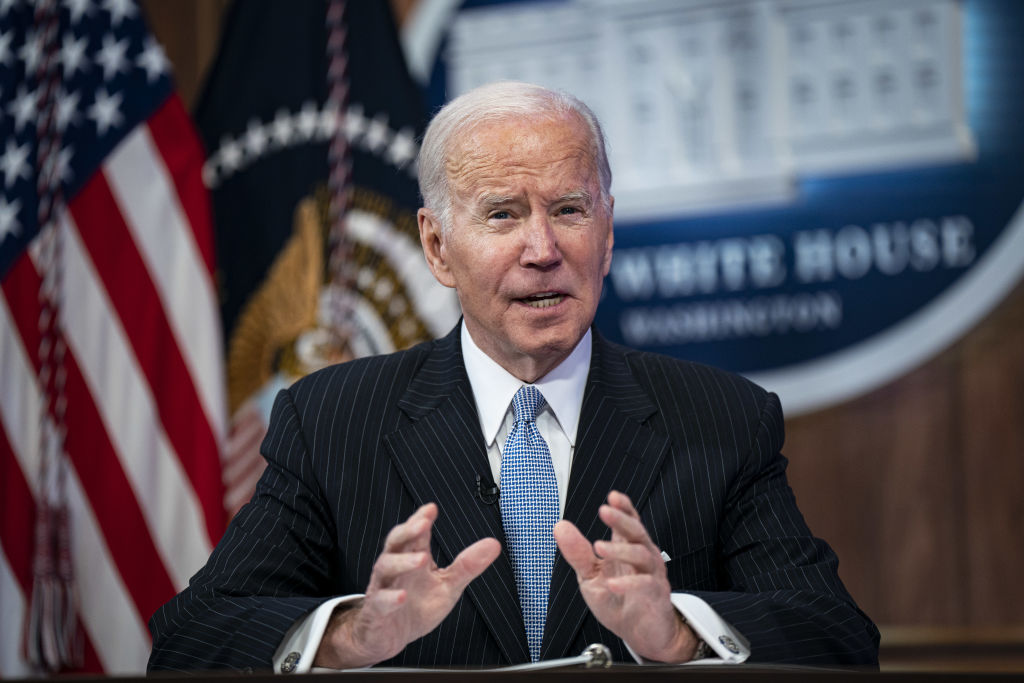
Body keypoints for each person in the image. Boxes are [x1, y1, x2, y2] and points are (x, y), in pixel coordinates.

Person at [148, 81, 879, 672]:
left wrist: (678, 632)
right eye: (502, 214)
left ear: (608, 230)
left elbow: (839, 640)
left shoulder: (720, 419)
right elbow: (189, 641)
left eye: (569, 209)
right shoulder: (332, 418)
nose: (543, 248)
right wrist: (352, 635)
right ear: (437, 247)